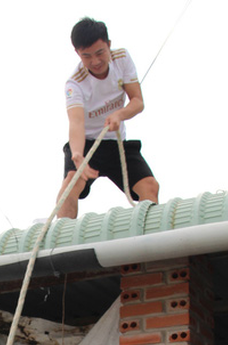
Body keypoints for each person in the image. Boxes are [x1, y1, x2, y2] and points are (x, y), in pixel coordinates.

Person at [57, 17, 159, 219]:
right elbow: (76, 122)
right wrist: (77, 155)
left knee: (150, 186)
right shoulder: (74, 84)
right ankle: (61, 242)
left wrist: (119, 114)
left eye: (99, 53)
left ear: (109, 45)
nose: (95, 62)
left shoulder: (122, 59)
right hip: (86, 144)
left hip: (115, 141)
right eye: (86, 56)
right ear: (78, 54)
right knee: (70, 187)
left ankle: (151, 237)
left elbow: (138, 101)